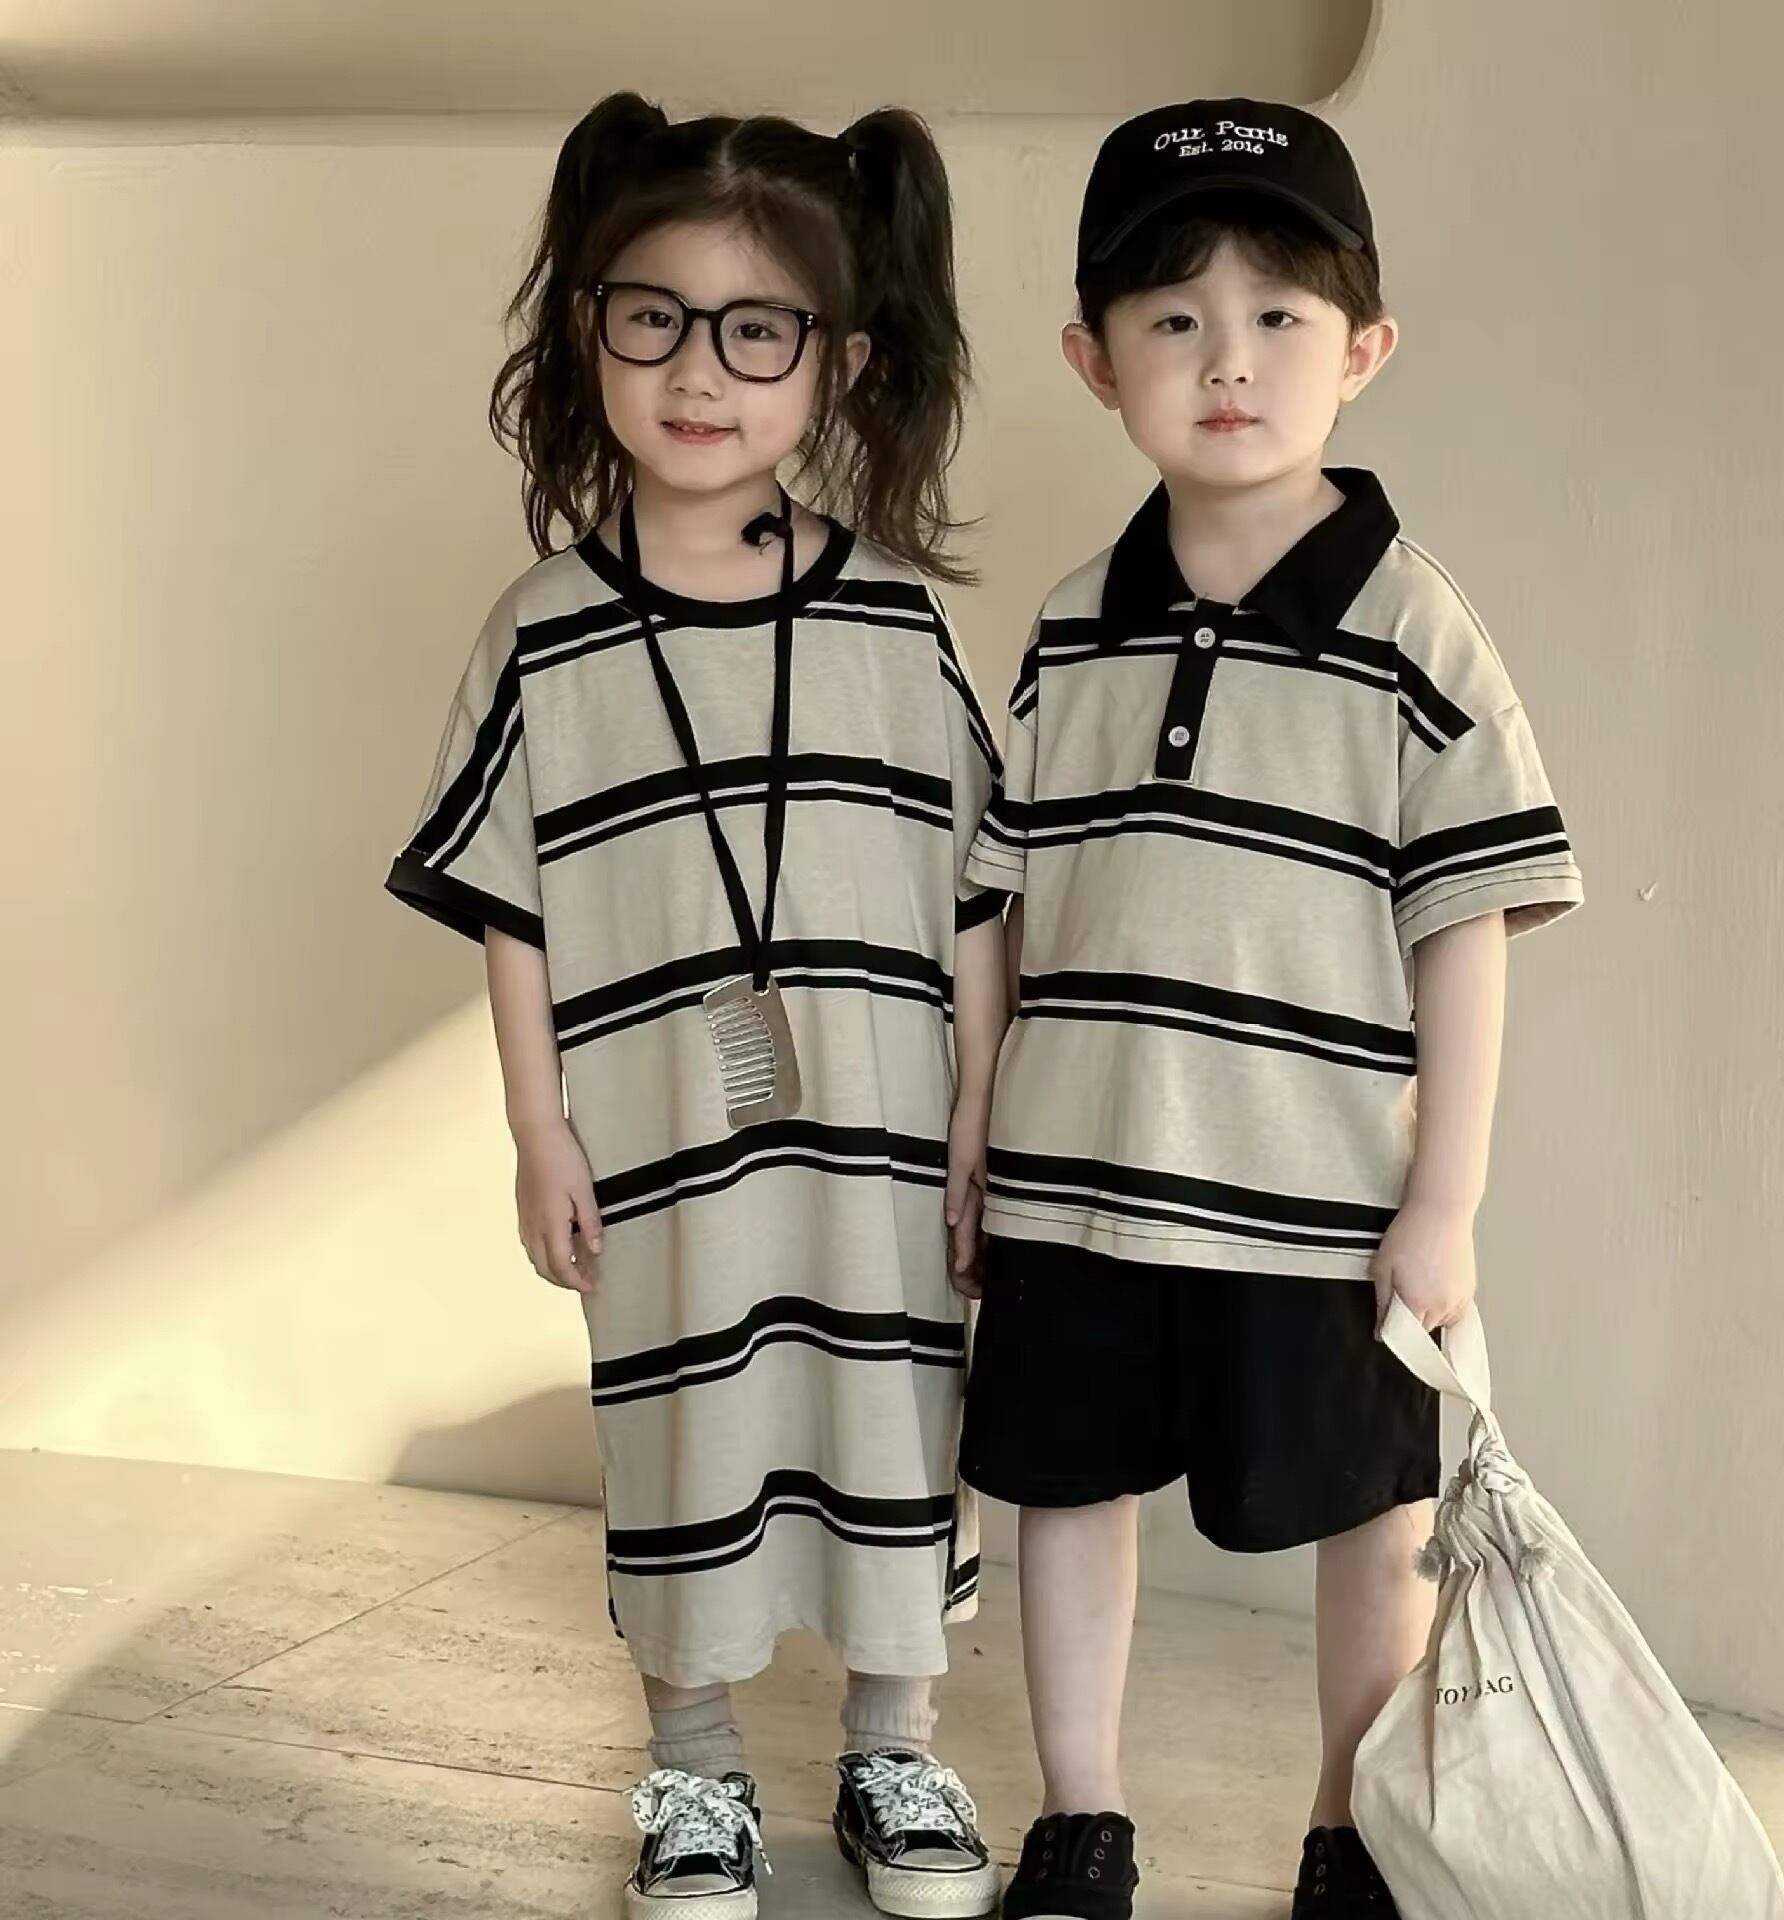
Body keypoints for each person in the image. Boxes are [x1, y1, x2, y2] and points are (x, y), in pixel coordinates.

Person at [386, 91, 1009, 1920]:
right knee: (683, 1418)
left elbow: (979, 889)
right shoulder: (542, 632)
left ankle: (896, 1739)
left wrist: (983, 1115)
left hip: (885, 1142)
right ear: (588, 333)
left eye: (757, 331)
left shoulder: (894, 621)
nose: (698, 372)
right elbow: (511, 904)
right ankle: (695, 1765)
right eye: (651, 317)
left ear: (842, 362)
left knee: (895, 1412)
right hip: (662, 1136)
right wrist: (539, 1131)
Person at [959, 98, 1583, 1918]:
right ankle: (1081, 1815)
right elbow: (1002, 897)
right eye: (1173, 318)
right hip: (1077, 1179)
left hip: (1318, 1197)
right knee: (1065, 1489)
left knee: (1371, 1520)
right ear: (1095, 363)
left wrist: (1445, 1200)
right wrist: (976, 1122)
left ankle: (1346, 1827)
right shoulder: (1072, 627)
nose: (1226, 360)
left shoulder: (1417, 635)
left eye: (1279, 315)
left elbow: (1467, 925)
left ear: (1363, 349)